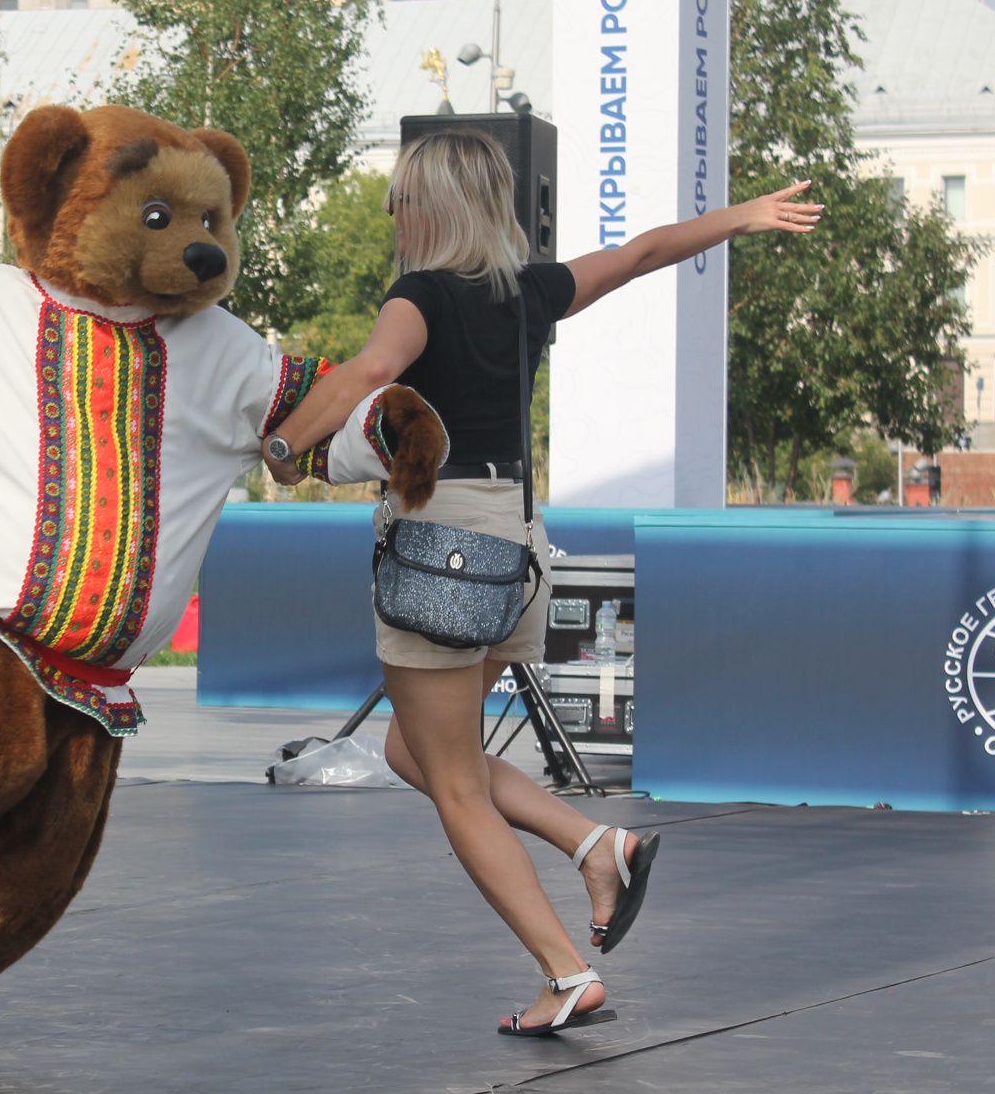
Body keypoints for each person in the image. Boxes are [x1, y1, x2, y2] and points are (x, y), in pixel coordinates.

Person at [263, 131, 822, 1036]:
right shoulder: (531, 292)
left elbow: (370, 373)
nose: (393, 213)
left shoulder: (420, 296)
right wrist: (745, 217)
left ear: (430, 207)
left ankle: (566, 972)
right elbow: (642, 254)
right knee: (414, 753)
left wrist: (284, 445)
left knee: (450, 785)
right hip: (519, 549)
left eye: (400, 197)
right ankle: (596, 843)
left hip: (441, 553)